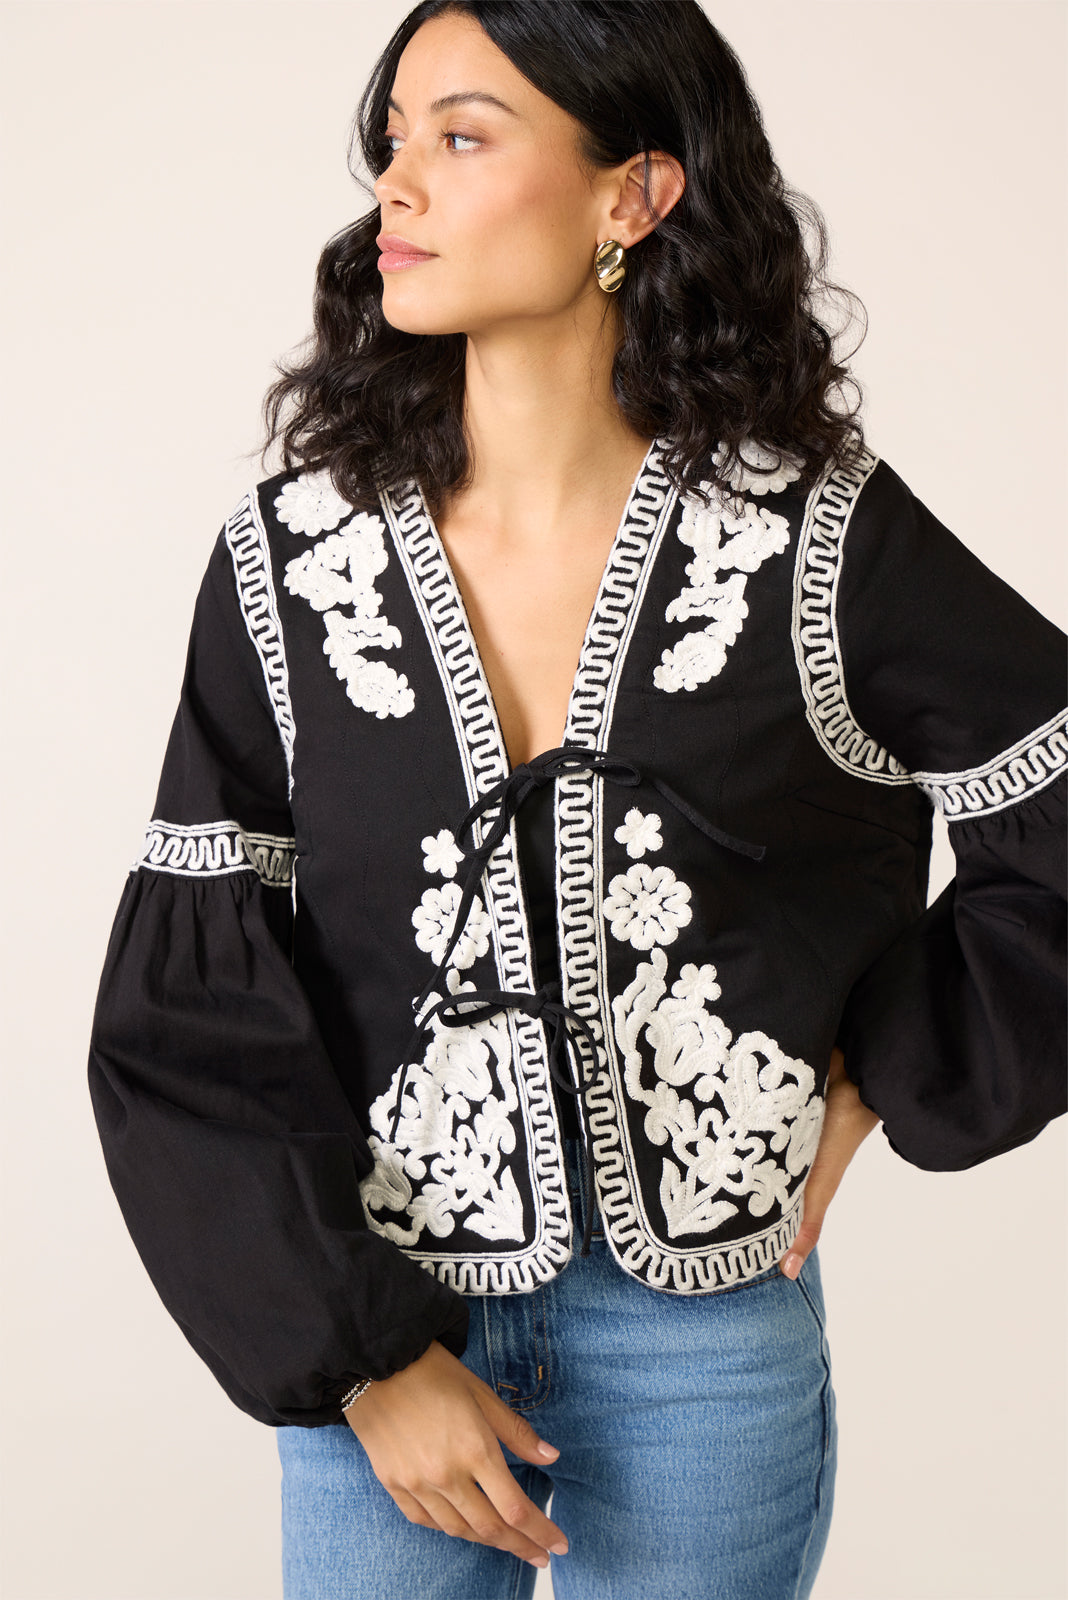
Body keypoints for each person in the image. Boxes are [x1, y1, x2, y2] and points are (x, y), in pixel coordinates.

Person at [86, 3, 1067, 1597]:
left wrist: (896, 1063)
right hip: (382, 1330)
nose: (398, 183)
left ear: (635, 194)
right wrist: (363, 1364)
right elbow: (189, 1009)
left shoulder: (815, 542)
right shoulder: (291, 561)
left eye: (463, 136)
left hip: (703, 1352)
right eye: (393, 138)